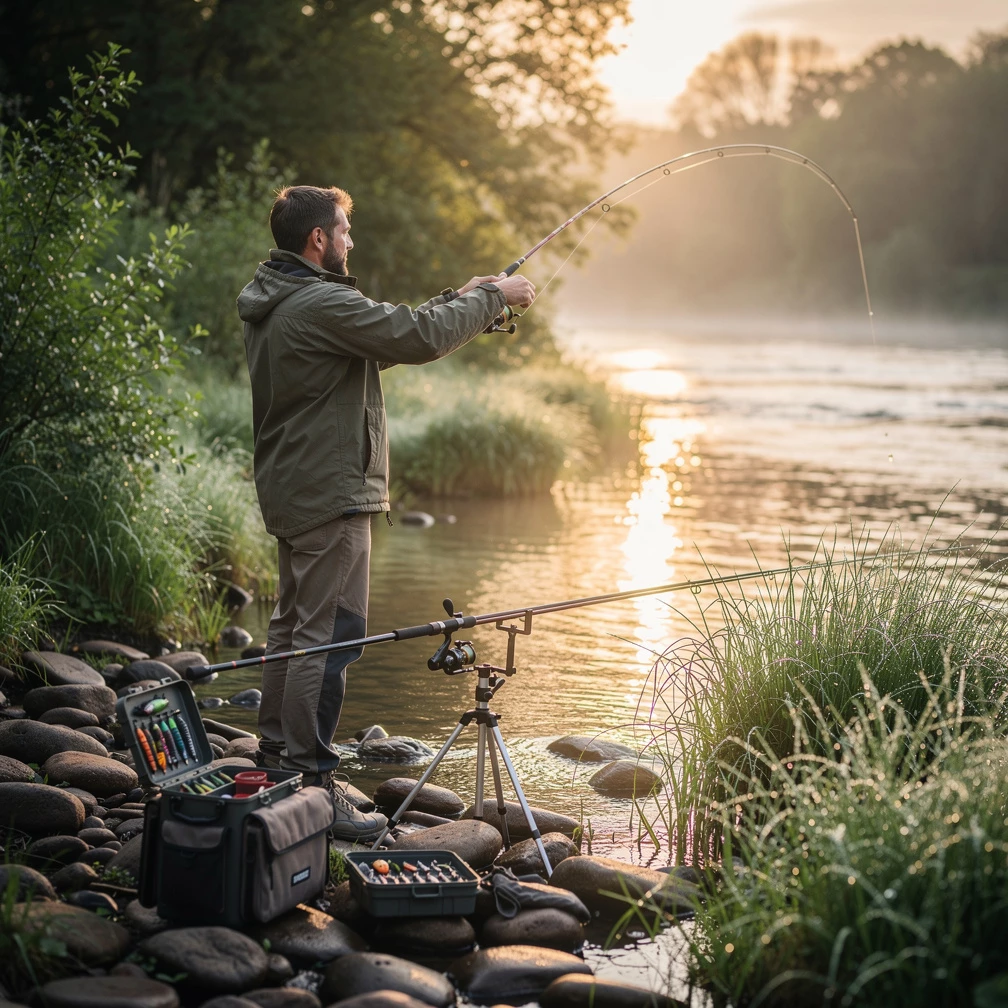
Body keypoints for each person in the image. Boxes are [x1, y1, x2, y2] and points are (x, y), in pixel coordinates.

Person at [236, 185, 535, 840]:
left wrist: (460, 298)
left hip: (295, 487)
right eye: (344, 230)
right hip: (330, 492)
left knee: (293, 628)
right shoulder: (318, 301)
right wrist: (494, 299)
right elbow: (417, 338)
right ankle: (311, 780)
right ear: (318, 239)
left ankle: (275, 759)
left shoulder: (280, 297)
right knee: (329, 635)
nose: (351, 240)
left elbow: (388, 334)